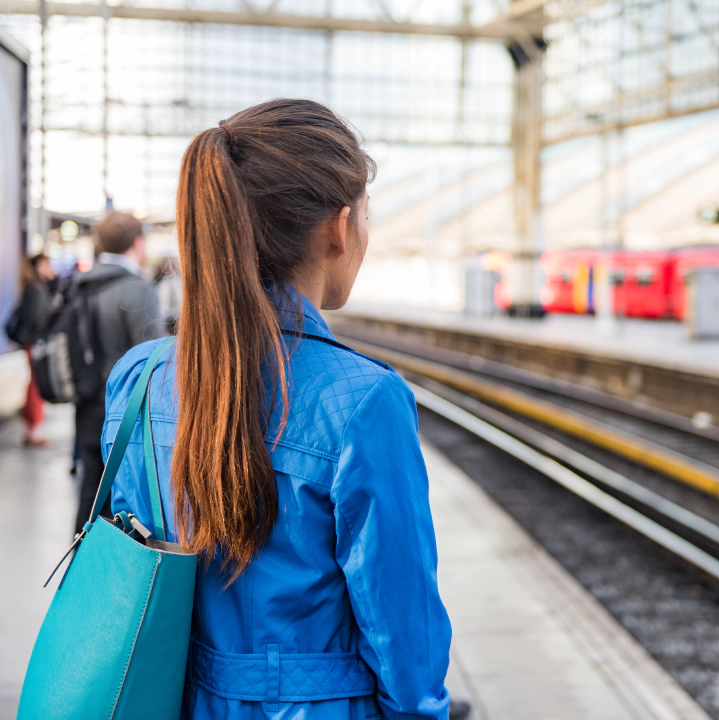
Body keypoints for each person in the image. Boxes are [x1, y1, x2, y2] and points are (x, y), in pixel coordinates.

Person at [104, 99, 452, 719]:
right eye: (367, 217)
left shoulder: (141, 377)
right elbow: (405, 640)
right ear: (338, 227)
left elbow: (132, 573)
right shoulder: (366, 401)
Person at [73, 212, 166, 533]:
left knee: (90, 493)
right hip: (125, 414)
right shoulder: (137, 290)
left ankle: (81, 568)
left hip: (85, 403)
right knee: (124, 504)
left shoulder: (80, 284)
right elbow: (153, 360)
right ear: (137, 243)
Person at [10, 254, 56, 445]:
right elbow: (38, 320)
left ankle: (32, 429)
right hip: (35, 342)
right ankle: (34, 431)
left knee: (33, 385)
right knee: (36, 386)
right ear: (39, 265)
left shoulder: (33, 286)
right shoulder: (36, 289)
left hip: (30, 342)